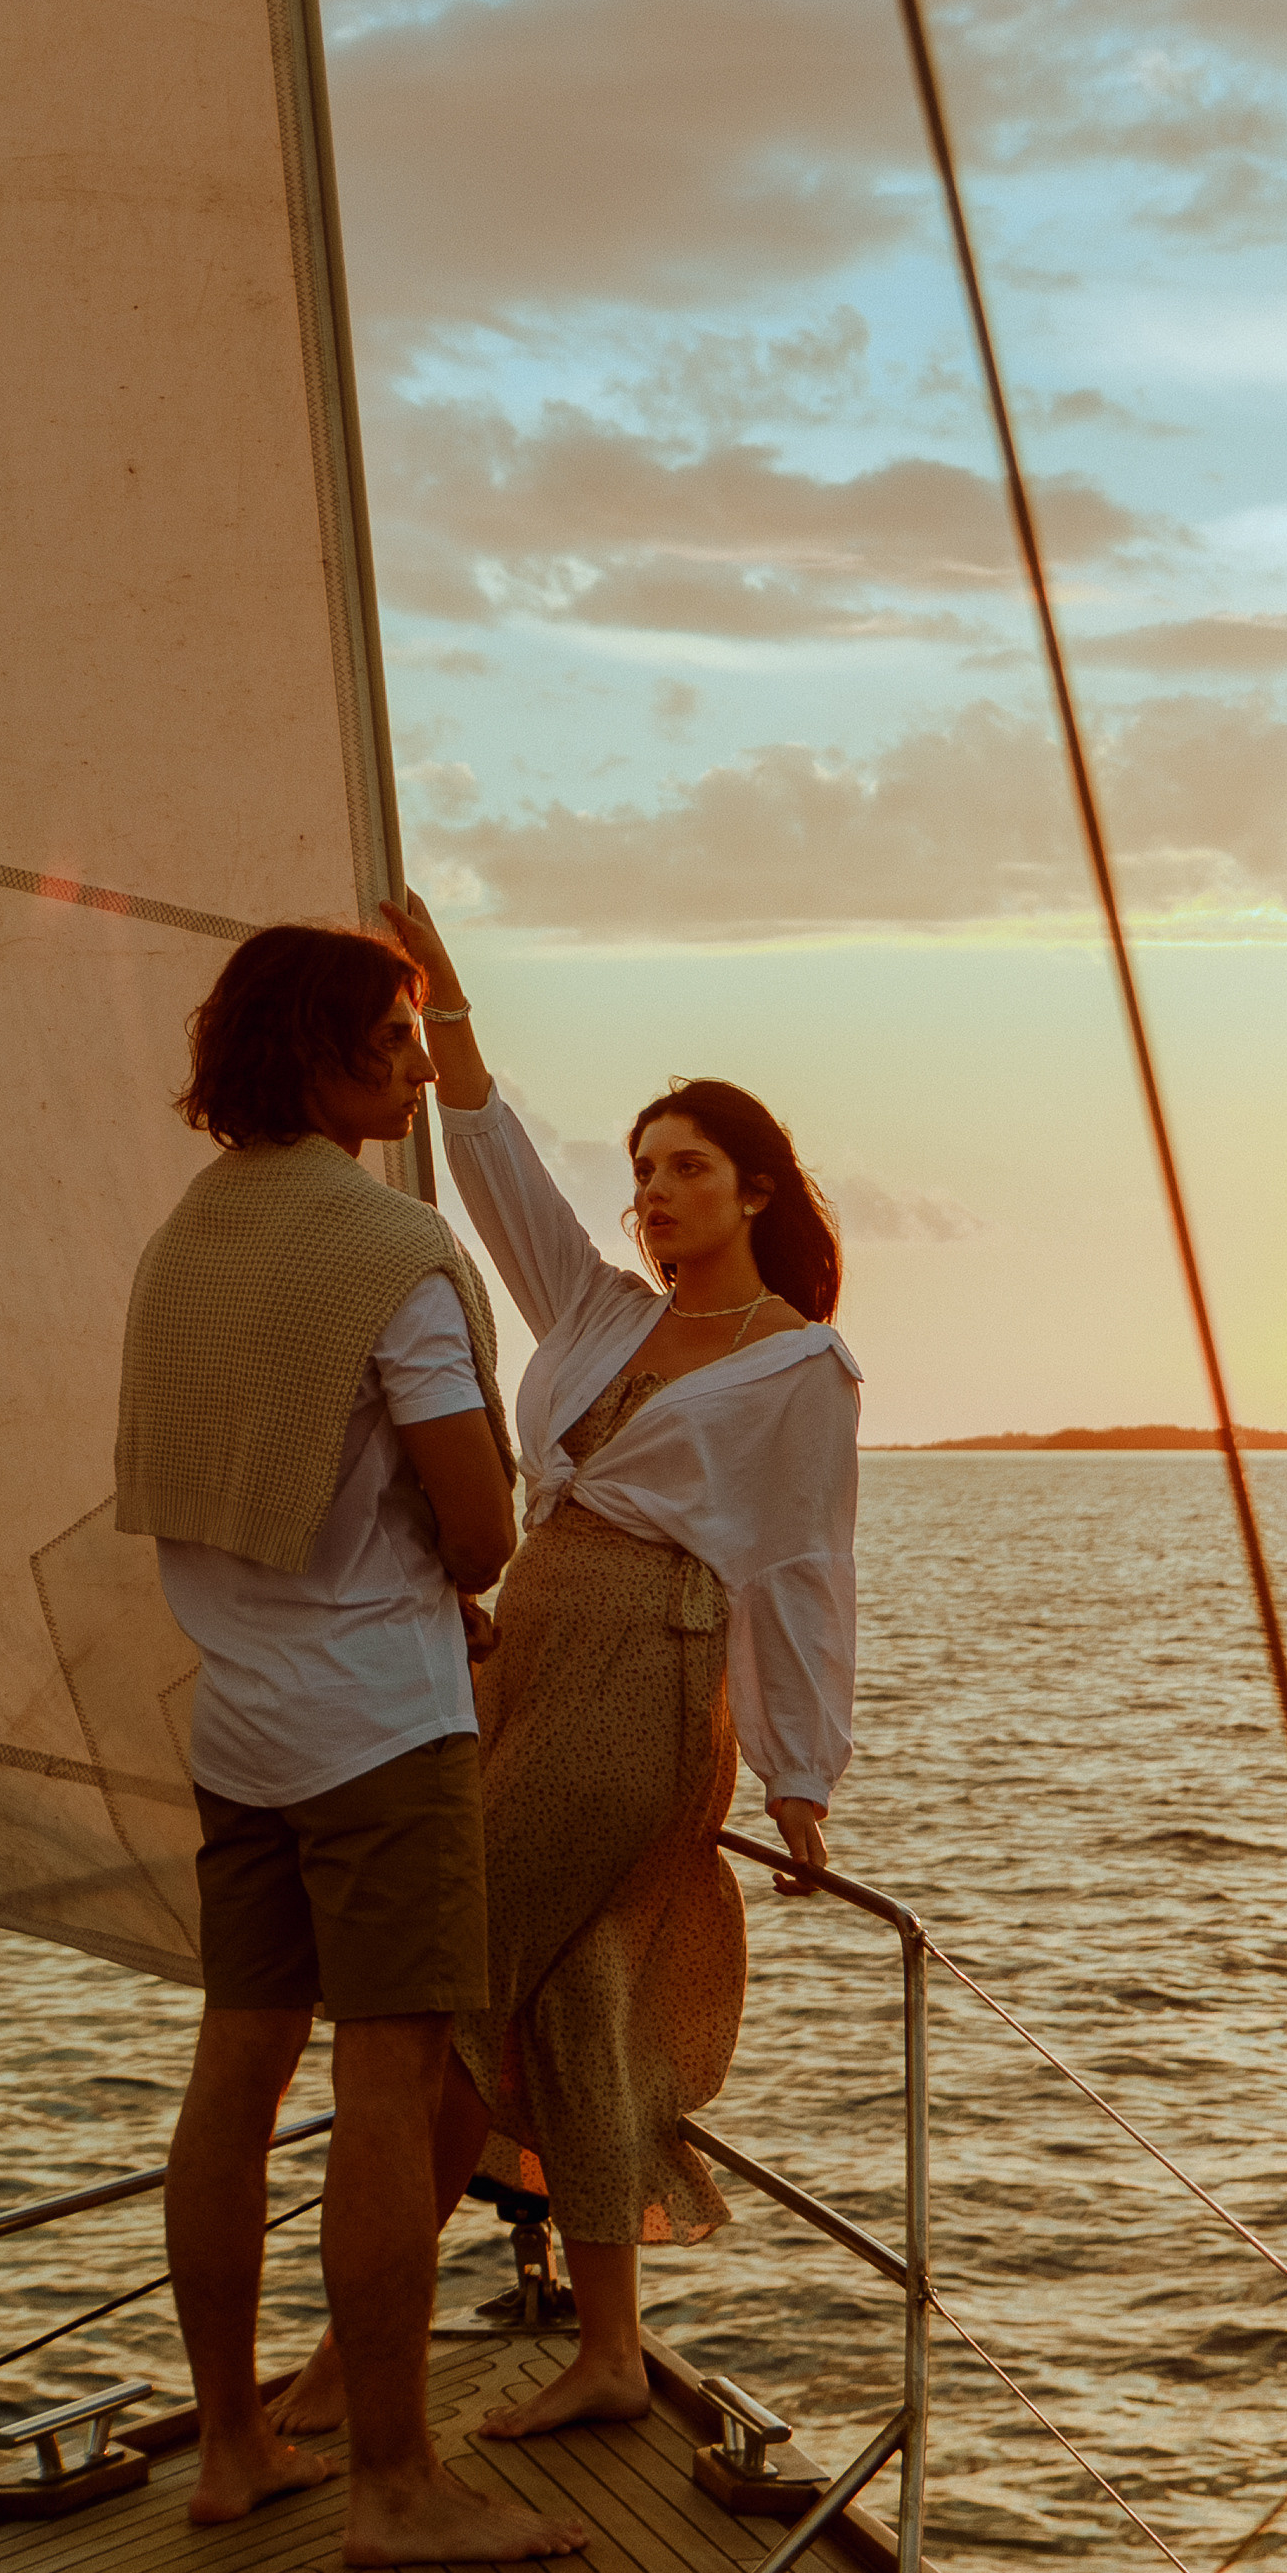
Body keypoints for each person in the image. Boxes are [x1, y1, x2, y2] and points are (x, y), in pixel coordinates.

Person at [271, 888, 860, 2447]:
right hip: (530, 1650)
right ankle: (607, 2348)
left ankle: (353, 2352)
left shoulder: (801, 1362)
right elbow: (489, 1157)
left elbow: (801, 1570)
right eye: (643, 1173)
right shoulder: (598, 1314)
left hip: (650, 1680)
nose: (655, 1196)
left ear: (755, 1190)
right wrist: (447, 1009)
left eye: (687, 1171)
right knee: (577, 1996)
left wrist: (800, 1775)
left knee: (454, 1972)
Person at [116, 920, 587, 2566]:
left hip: (238, 1721)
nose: (409, 1066)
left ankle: (236, 2443)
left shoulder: (186, 1241)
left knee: (233, 2076)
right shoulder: (385, 1252)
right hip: (383, 1730)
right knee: (389, 2086)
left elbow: (234, 1494)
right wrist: (459, 1566)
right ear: (314, 1053)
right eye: (389, 1038)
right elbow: (472, 1533)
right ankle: (397, 2482)